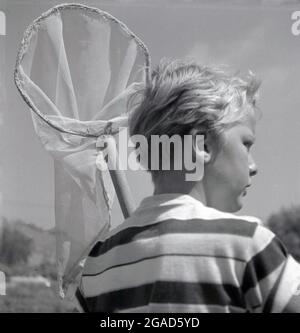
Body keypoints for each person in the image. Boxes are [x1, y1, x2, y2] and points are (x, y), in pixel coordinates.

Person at [79, 59, 300, 313]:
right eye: (246, 144)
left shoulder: (97, 263)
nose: (253, 165)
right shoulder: (246, 245)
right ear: (202, 145)